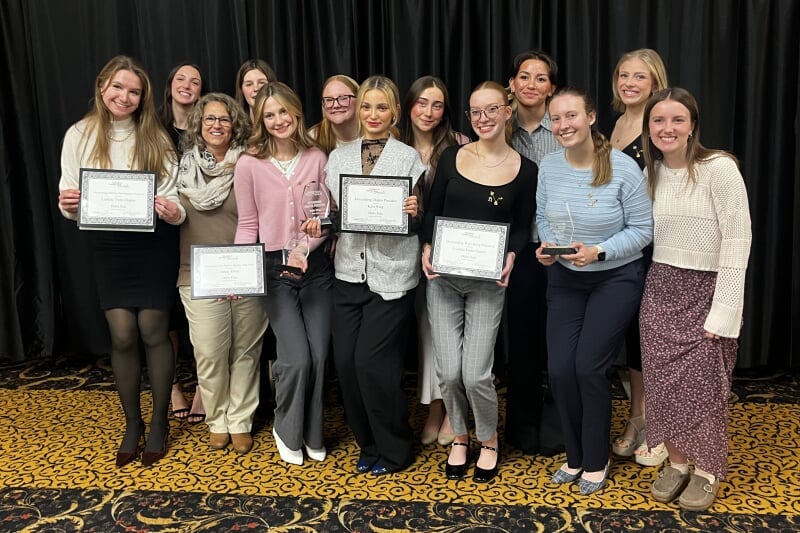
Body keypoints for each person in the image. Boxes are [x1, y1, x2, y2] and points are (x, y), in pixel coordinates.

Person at [58, 55, 184, 467]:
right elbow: (69, 197)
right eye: (118, 88)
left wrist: (172, 209)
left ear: (143, 96)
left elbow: (173, 195)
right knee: (123, 334)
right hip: (108, 245)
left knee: (153, 328)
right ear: (102, 88)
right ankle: (133, 422)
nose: (125, 97)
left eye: (134, 91)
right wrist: (70, 204)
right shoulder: (79, 133)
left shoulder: (156, 135)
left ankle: (161, 420)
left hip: (153, 244)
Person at [535, 87, 652, 495]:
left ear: (590, 117)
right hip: (565, 278)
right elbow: (541, 217)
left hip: (615, 278)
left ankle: (596, 461)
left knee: (588, 367)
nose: (563, 125)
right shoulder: (548, 166)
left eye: (571, 116)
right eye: (556, 119)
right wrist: (550, 247)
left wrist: (599, 252)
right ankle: (575, 455)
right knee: (560, 370)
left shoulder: (621, 168)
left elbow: (642, 231)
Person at [640, 87, 751, 511]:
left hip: (708, 289)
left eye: (677, 120)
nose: (667, 128)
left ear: (692, 126)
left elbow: (739, 239)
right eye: (659, 121)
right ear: (649, 128)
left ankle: (706, 470)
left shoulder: (719, 168)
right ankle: (678, 462)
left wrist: (725, 307)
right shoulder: (650, 171)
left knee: (705, 387)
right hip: (661, 288)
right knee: (664, 384)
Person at [421, 81, 537, 483]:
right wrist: (426, 246)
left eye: (491, 110)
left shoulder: (526, 170)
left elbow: (521, 228)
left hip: (489, 282)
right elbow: (432, 213)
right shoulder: (452, 156)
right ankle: (460, 435)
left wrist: (511, 255)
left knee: (476, 374)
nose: (483, 118)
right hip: (444, 280)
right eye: (475, 112)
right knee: (449, 372)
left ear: (507, 110)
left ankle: (488, 440)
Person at [313, 75, 424, 475]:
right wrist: (319, 225)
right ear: (358, 111)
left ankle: (395, 448)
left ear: (394, 111)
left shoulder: (410, 158)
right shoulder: (338, 158)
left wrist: (415, 213)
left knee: (373, 364)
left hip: (392, 276)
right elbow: (337, 217)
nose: (373, 115)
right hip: (348, 272)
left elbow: (415, 222)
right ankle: (368, 442)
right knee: (345, 363)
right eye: (366, 106)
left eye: (381, 107)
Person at [235, 82, 334, 465]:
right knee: (295, 358)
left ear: (296, 113)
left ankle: (312, 432)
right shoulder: (249, 163)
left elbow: (326, 219)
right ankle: (286, 427)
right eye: (269, 114)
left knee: (320, 354)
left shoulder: (316, 157)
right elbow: (247, 225)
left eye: (284, 112)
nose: (278, 120)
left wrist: (314, 237)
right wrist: (241, 273)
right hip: (275, 271)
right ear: (261, 119)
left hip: (317, 268)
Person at [176, 92, 267, 454]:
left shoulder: (250, 163)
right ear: (199, 124)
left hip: (246, 270)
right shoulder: (180, 167)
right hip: (195, 274)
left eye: (224, 119)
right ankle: (218, 419)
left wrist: (242, 270)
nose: (217, 125)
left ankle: (241, 419)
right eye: (210, 119)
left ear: (236, 124)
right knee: (210, 352)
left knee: (246, 351)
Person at [399, 75, 469, 447]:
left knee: (437, 335)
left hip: (445, 255)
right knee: (410, 335)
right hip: (397, 253)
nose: (428, 112)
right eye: (422, 102)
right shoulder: (390, 146)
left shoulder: (461, 146)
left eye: (437, 104)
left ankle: (440, 409)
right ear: (409, 105)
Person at [607, 48, 670, 467]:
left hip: (652, 241)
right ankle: (638, 417)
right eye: (624, 75)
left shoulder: (658, 124)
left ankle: (658, 425)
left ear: (655, 83)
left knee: (651, 336)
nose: (629, 82)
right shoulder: (617, 123)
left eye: (639, 77)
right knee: (633, 335)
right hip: (619, 242)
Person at [503, 50, 563, 456]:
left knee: (558, 343)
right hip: (515, 250)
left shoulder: (562, 130)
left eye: (540, 79)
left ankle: (559, 428)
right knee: (521, 342)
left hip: (557, 249)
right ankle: (522, 429)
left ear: (551, 89)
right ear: (512, 83)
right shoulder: (497, 127)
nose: (531, 84)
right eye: (524, 76)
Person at [158, 61, 206, 424]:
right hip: (160, 232)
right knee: (167, 314)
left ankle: (205, 386)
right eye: (181, 79)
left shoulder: (210, 128)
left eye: (195, 81)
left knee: (205, 309)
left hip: (202, 229)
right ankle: (174, 386)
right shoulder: (152, 127)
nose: (187, 85)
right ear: (170, 85)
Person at [309, 74, 360, 154]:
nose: (336, 105)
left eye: (343, 98)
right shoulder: (312, 139)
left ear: (359, 100)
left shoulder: (376, 133)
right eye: (329, 100)